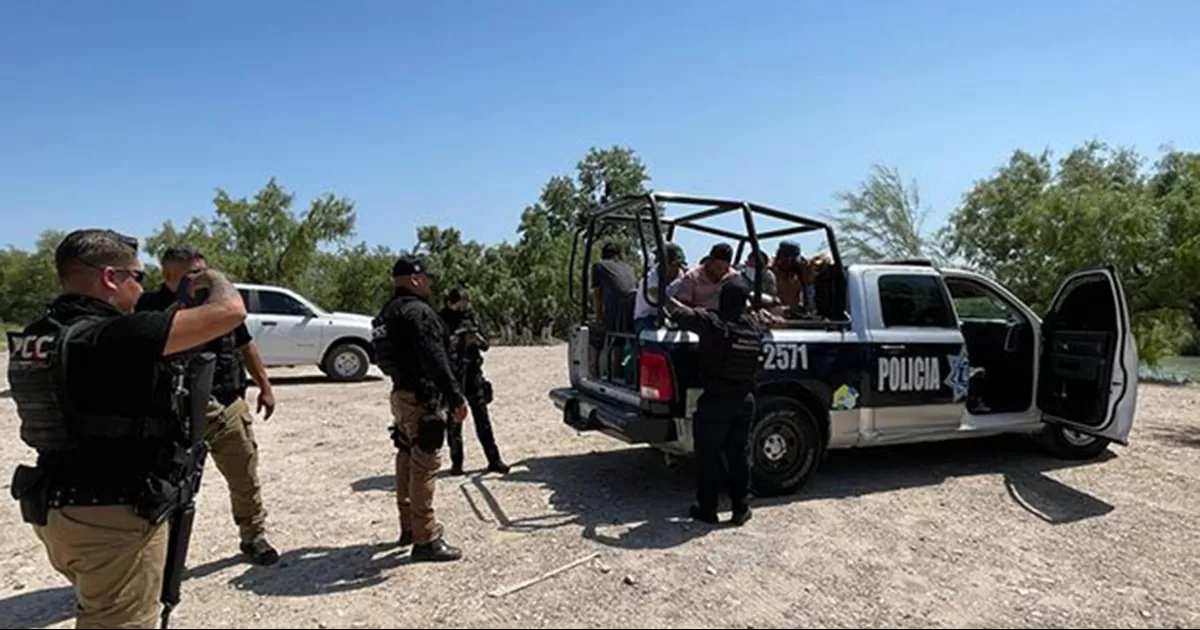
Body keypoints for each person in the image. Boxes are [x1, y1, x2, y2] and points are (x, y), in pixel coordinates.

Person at [7, 228, 247, 628]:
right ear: (110, 277)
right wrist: (212, 278)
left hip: (54, 507)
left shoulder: (37, 335)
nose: (141, 288)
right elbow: (231, 311)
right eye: (138, 277)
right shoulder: (115, 334)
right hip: (111, 516)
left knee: (98, 610)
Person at [135, 245, 280, 566]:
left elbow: (245, 344)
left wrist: (265, 387)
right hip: (173, 411)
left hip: (226, 403)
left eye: (205, 270)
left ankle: (253, 536)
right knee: (168, 484)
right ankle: (163, 551)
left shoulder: (220, 304)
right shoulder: (149, 306)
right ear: (169, 275)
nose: (203, 278)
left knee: (244, 475)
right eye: (193, 273)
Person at [371, 254, 468, 562]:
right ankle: (425, 539)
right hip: (422, 398)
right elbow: (436, 360)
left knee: (405, 456)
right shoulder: (419, 313)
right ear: (415, 279)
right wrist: (456, 398)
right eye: (427, 279)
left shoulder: (387, 312)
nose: (429, 284)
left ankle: (408, 527)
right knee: (425, 463)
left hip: (400, 394)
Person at [664, 275, 766, 526]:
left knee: (708, 455)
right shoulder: (754, 328)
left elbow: (674, 311)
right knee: (739, 455)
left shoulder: (714, 324)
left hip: (717, 401)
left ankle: (707, 509)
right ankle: (741, 508)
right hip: (745, 401)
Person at [439, 287, 510, 476]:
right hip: (453, 375)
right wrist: (455, 340)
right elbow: (438, 346)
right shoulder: (442, 318)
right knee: (454, 421)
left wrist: (474, 338)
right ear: (449, 303)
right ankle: (457, 463)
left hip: (473, 373)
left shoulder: (473, 316)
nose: (462, 307)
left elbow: (486, 344)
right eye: (458, 304)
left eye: (465, 303)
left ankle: (494, 460)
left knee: (483, 419)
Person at [589, 242, 638, 379]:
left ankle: (592, 373)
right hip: (631, 314)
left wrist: (599, 316)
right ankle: (621, 373)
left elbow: (597, 294)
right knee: (619, 340)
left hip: (616, 313)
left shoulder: (599, 266)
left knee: (593, 334)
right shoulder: (630, 268)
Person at [632, 243, 687, 334]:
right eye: (674, 265)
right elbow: (663, 299)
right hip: (646, 319)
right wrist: (686, 310)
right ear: (663, 264)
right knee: (659, 338)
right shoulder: (650, 279)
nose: (677, 269)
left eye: (680, 265)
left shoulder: (681, 275)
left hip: (668, 319)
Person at [669, 243, 740, 310]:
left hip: (723, 319)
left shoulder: (734, 278)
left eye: (726, 268)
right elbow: (683, 303)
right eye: (718, 267)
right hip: (698, 316)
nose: (722, 272)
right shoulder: (692, 276)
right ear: (709, 261)